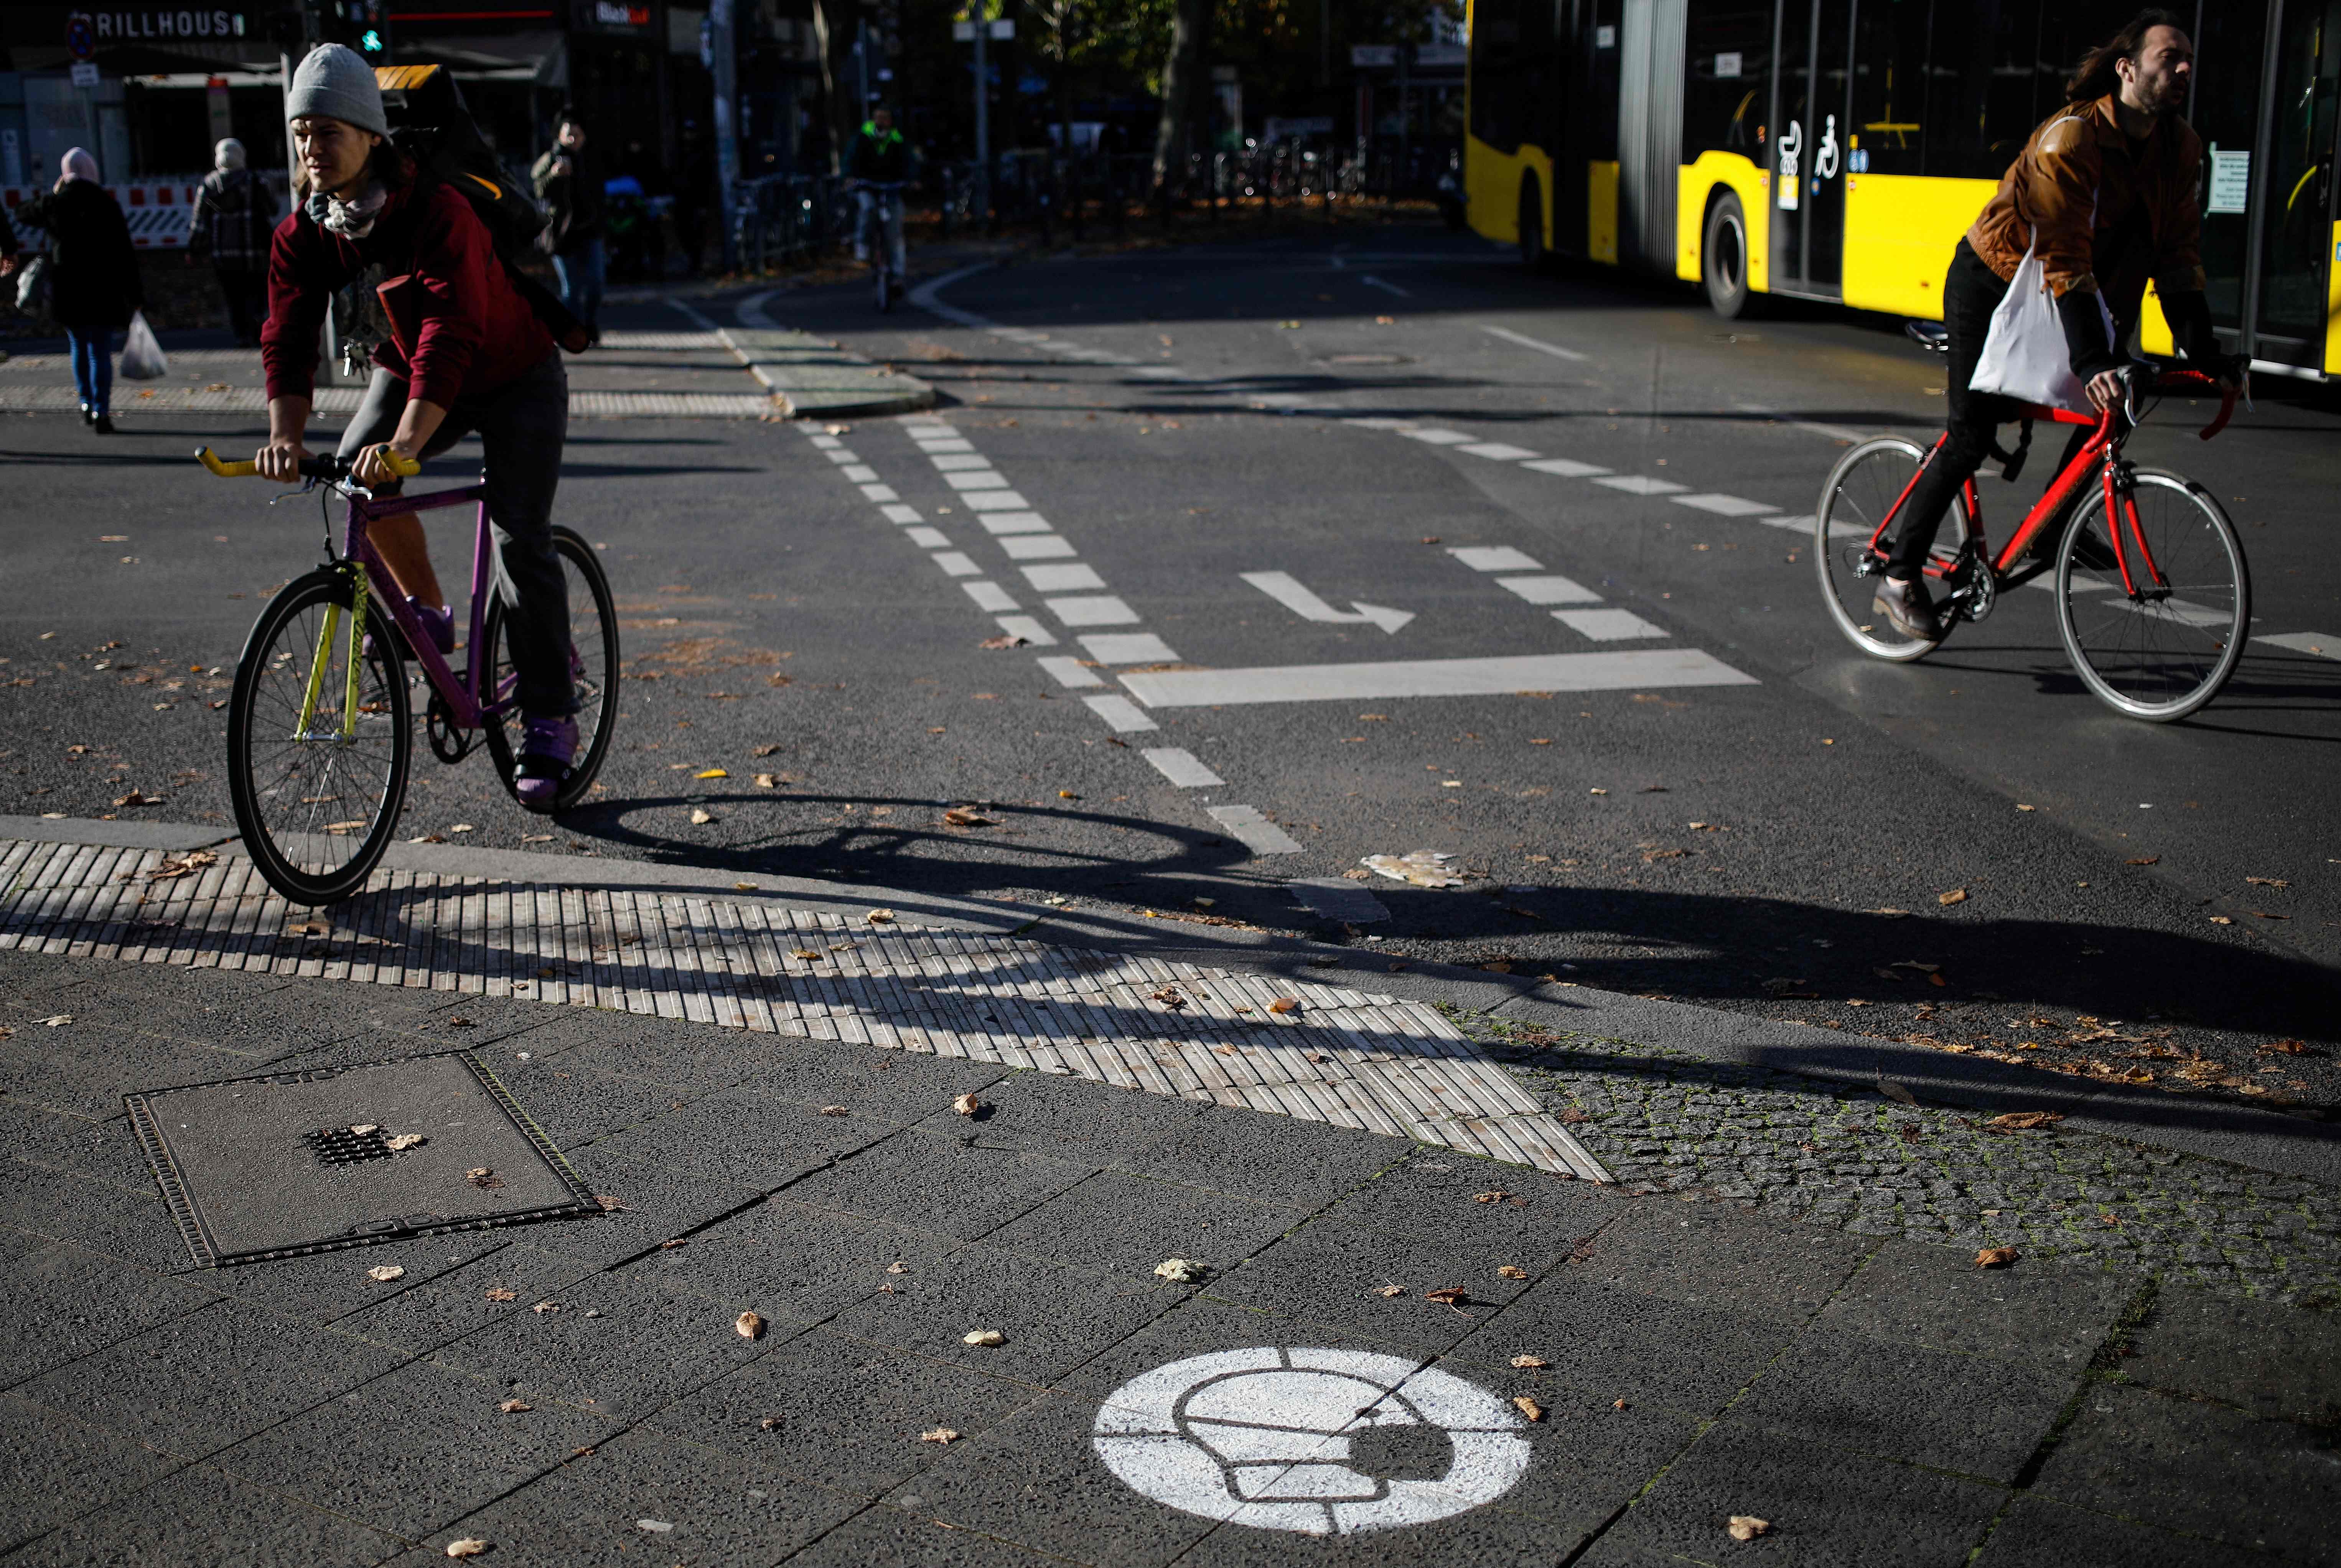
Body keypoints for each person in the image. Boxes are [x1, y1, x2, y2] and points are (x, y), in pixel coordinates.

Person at [256, 44, 580, 805]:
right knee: (351, 476)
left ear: (372, 135)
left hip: (513, 375)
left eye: (328, 130)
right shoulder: (309, 228)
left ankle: (550, 716)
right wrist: (284, 434)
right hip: (413, 367)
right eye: (301, 132)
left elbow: (452, 330)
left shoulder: (438, 210)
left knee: (517, 541)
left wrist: (405, 444)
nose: (312, 147)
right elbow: (288, 334)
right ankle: (430, 614)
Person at [1875, 10, 2244, 642]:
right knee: (1969, 434)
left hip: (2075, 292)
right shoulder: (2068, 139)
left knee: (2119, 405)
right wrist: (2091, 360)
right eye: (2168, 58)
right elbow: (2063, 257)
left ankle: (2052, 528)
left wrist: (2204, 350)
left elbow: (2178, 256)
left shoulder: (2178, 148)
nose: (2183, 68)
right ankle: (1898, 575)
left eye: (2188, 59)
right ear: (2126, 70)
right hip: (1997, 283)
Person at [13, 148, 144, 434]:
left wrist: (55, 192)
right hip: (103, 287)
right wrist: (136, 295)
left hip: (68, 286)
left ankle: (85, 403)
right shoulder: (106, 203)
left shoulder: (56, 202)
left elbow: (22, 212)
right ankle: (102, 410)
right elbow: (125, 252)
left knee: (78, 346)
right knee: (100, 350)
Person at [189, 138, 278, 347]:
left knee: (233, 296)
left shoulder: (210, 184)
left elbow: (199, 221)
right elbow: (272, 209)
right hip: (252, 251)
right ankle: (257, 328)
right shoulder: (255, 182)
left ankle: (241, 334)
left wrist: (194, 248)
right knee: (255, 292)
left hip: (222, 253)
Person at [531, 110, 605, 336]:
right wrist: (555, 175)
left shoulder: (591, 158)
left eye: (577, 135)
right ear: (560, 136)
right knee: (571, 288)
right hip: (562, 234)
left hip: (590, 231)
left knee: (596, 284)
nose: (573, 139)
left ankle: (589, 324)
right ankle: (571, 333)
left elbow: (599, 194)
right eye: (568, 135)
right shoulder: (551, 158)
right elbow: (537, 189)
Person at [847, 105, 909, 281]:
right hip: (868, 187)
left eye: (885, 118)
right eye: (878, 117)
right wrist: (850, 177)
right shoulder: (863, 137)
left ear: (890, 121)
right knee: (867, 209)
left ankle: (897, 274)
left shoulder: (897, 139)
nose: (881, 121)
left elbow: (908, 160)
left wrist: (913, 179)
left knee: (895, 233)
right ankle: (863, 246)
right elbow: (850, 159)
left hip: (892, 188)